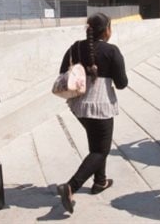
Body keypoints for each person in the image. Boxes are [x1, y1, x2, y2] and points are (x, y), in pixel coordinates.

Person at [56, 13, 128, 214]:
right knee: (100, 151)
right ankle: (71, 187)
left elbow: (63, 71)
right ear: (107, 30)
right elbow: (122, 83)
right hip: (101, 105)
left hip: (78, 105)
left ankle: (100, 181)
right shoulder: (111, 51)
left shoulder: (75, 47)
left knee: (96, 144)